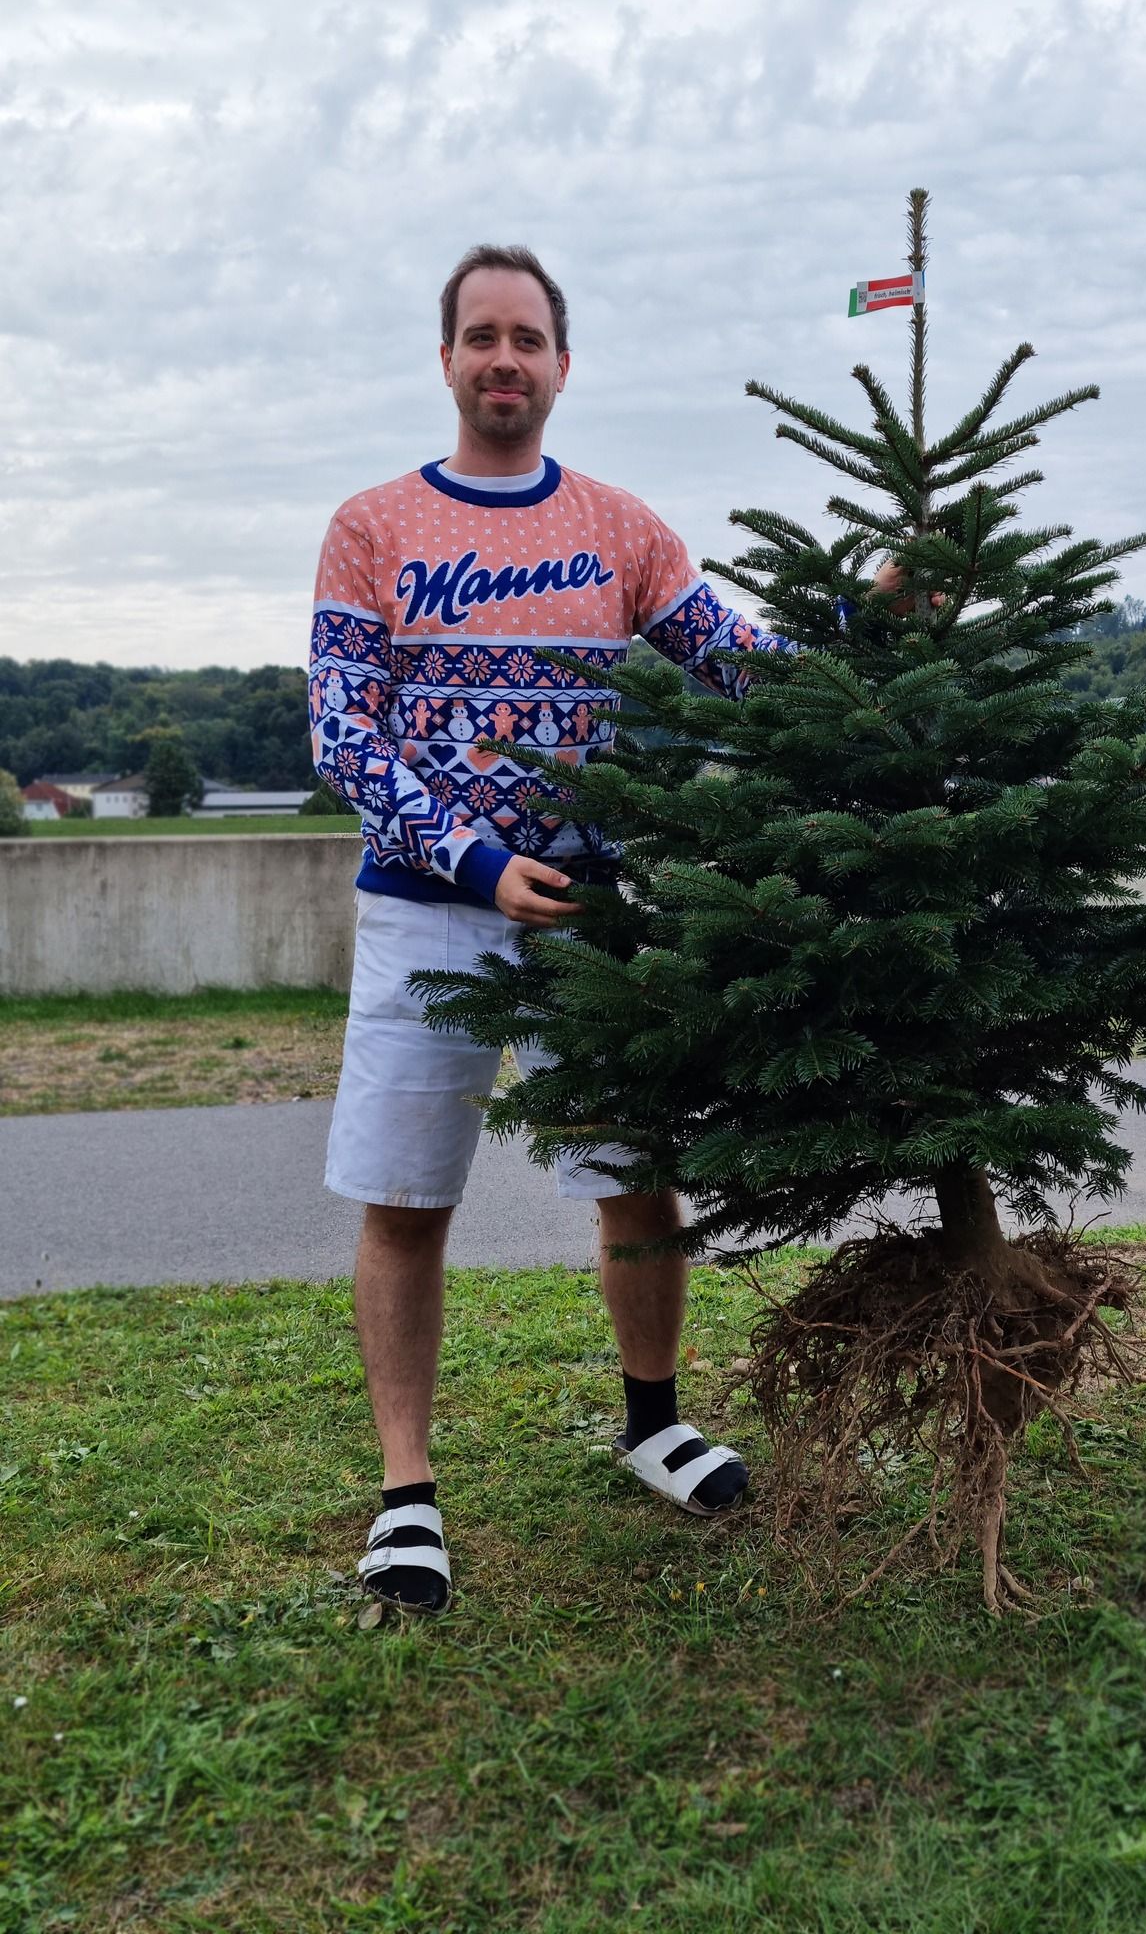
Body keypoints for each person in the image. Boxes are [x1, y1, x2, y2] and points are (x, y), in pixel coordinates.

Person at [309, 244, 883, 1614]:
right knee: (405, 1200)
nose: (504, 359)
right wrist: (476, 859)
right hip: (426, 918)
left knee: (634, 1174)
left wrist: (874, 617)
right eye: (480, 336)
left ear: (562, 364)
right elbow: (343, 729)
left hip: (594, 919)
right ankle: (406, 1496)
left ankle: (654, 1423)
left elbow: (740, 668)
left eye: (529, 337)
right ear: (446, 360)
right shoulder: (372, 527)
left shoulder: (624, 531)